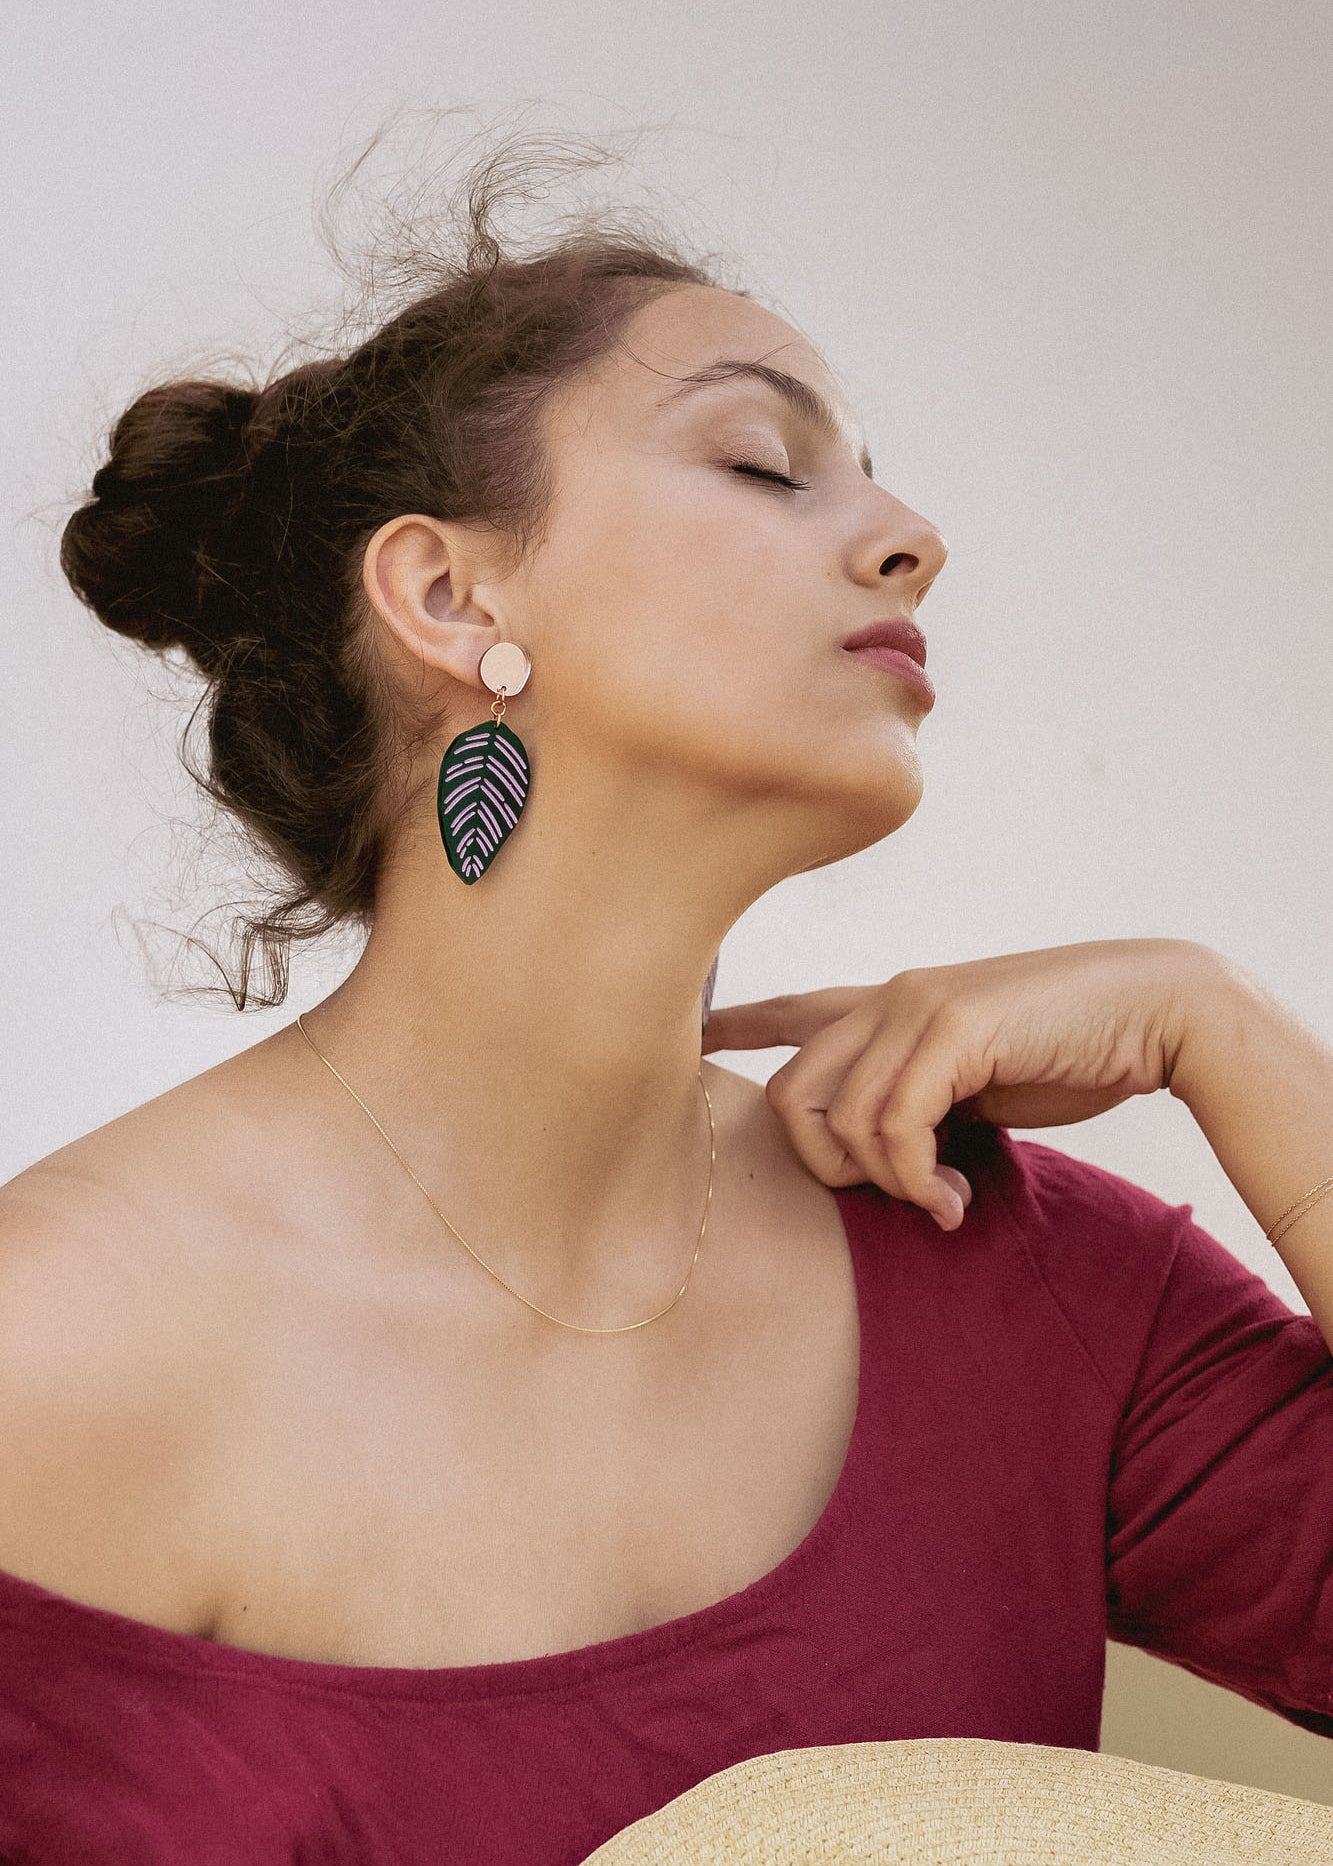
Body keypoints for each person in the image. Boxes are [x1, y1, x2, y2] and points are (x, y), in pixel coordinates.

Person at [1, 132, 1329, 1865]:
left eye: (877, 484)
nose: (910, 538)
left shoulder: (1022, 1269)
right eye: (766, 464)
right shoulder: (56, 1347)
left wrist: (1227, 1032)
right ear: (449, 590)